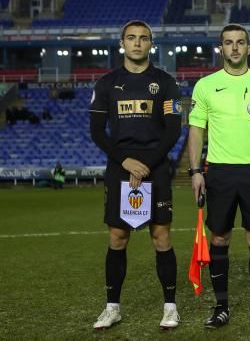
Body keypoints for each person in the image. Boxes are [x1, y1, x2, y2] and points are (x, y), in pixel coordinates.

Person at [187, 23, 250, 329]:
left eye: (240, 42)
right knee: (220, 237)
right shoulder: (204, 86)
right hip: (219, 171)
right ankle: (221, 306)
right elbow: (196, 130)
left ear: (248, 47)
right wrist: (195, 171)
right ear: (221, 48)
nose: (235, 48)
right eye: (229, 43)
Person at [89, 20, 182, 330]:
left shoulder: (167, 83)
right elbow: (96, 132)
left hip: (156, 167)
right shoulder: (105, 84)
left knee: (161, 236)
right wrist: (126, 162)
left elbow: (173, 130)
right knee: (118, 237)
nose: (137, 43)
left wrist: (147, 164)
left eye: (143, 38)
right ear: (122, 43)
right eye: (131, 38)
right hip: (120, 167)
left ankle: (170, 307)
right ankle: (112, 307)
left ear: (151, 44)